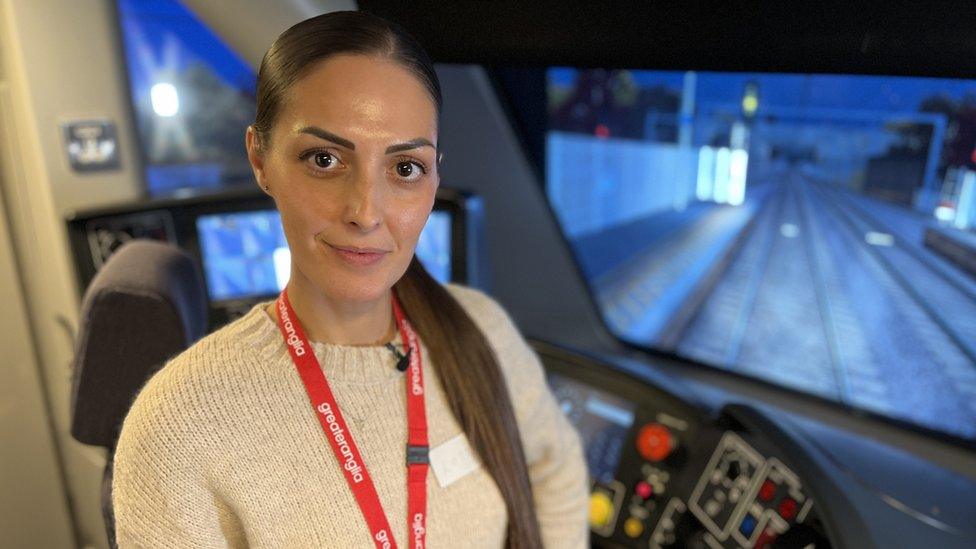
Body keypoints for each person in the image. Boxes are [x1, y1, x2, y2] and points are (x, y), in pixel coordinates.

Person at [111, 10, 589, 549]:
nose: (366, 211)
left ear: (434, 179)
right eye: (324, 158)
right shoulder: (179, 427)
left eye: (405, 168)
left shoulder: (482, 331)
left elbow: (557, 469)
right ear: (260, 159)